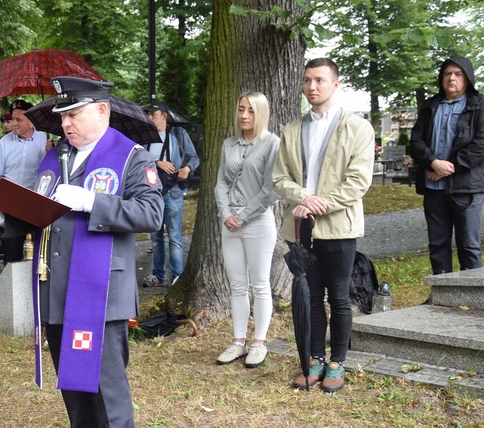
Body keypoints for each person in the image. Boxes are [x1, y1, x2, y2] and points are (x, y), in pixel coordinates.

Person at [0, 76, 163, 428]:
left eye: (74, 115)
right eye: (63, 117)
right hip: (55, 284)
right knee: (74, 382)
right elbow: (35, 213)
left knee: (105, 386)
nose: (67, 125)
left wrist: (92, 202)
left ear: (102, 111)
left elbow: (151, 213)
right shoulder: (55, 155)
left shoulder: (130, 157)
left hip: (101, 291)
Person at [272, 57, 374, 393]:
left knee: (340, 297)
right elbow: (279, 177)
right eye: (307, 81)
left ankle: (337, 362)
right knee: (311, 297)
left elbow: (358, 181)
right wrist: (303, 196)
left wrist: (322, 203)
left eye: (319, 80)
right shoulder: (292, 129)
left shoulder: (358, 128)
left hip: (339, 227)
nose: (312, 87)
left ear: (335, 84)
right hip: (302, 227)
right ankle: (314, 359)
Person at [214, 93, 280, 368]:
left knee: (260, 285)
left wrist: (241, 215)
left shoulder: (272, 143)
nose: (244, 116)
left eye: (251, 111)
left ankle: (259, 342)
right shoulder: (229, 144)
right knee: (238, 285)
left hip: (258, 223)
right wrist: (226, 213)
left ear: (261, 113)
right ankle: (239, 341)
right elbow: (220, 183)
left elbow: (271, 188)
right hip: (230, 224)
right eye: (241, 109)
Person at [409, 57, 484, 276]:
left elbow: (480, 145)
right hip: (434, 190)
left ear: (468, 78)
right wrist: (432, 162)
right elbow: (416, 141)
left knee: (468, 246)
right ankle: (441, 298)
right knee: (437, 245)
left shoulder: (479, 105)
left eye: (458, 74)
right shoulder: (430, 106)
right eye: (447, 74)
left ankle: (475, 301)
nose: (451, 78)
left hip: (465, 187)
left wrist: (448, 167)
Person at [142, 102, 199, 287]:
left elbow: (194, 157)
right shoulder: (144, 137)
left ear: (164, 115)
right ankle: (157, 275)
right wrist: (158, 162)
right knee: (156, 237)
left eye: (153, 114)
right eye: (148, 114)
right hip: (151, 193)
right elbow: (138, 161)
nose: (150, 118)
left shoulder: (178, 134)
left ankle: (177, 275)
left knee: (175, 236)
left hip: (173, 191)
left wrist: (187, 169)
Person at [0, 99, 48, 262]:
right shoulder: (5, 142)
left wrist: (49, 154)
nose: (13, 123)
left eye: (18, 120)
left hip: (36, 204)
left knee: (40, 252)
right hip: (11, 205)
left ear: (31, 122)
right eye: (12, 119)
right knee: (11, 253)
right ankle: (11, 286)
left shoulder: (44, 142)